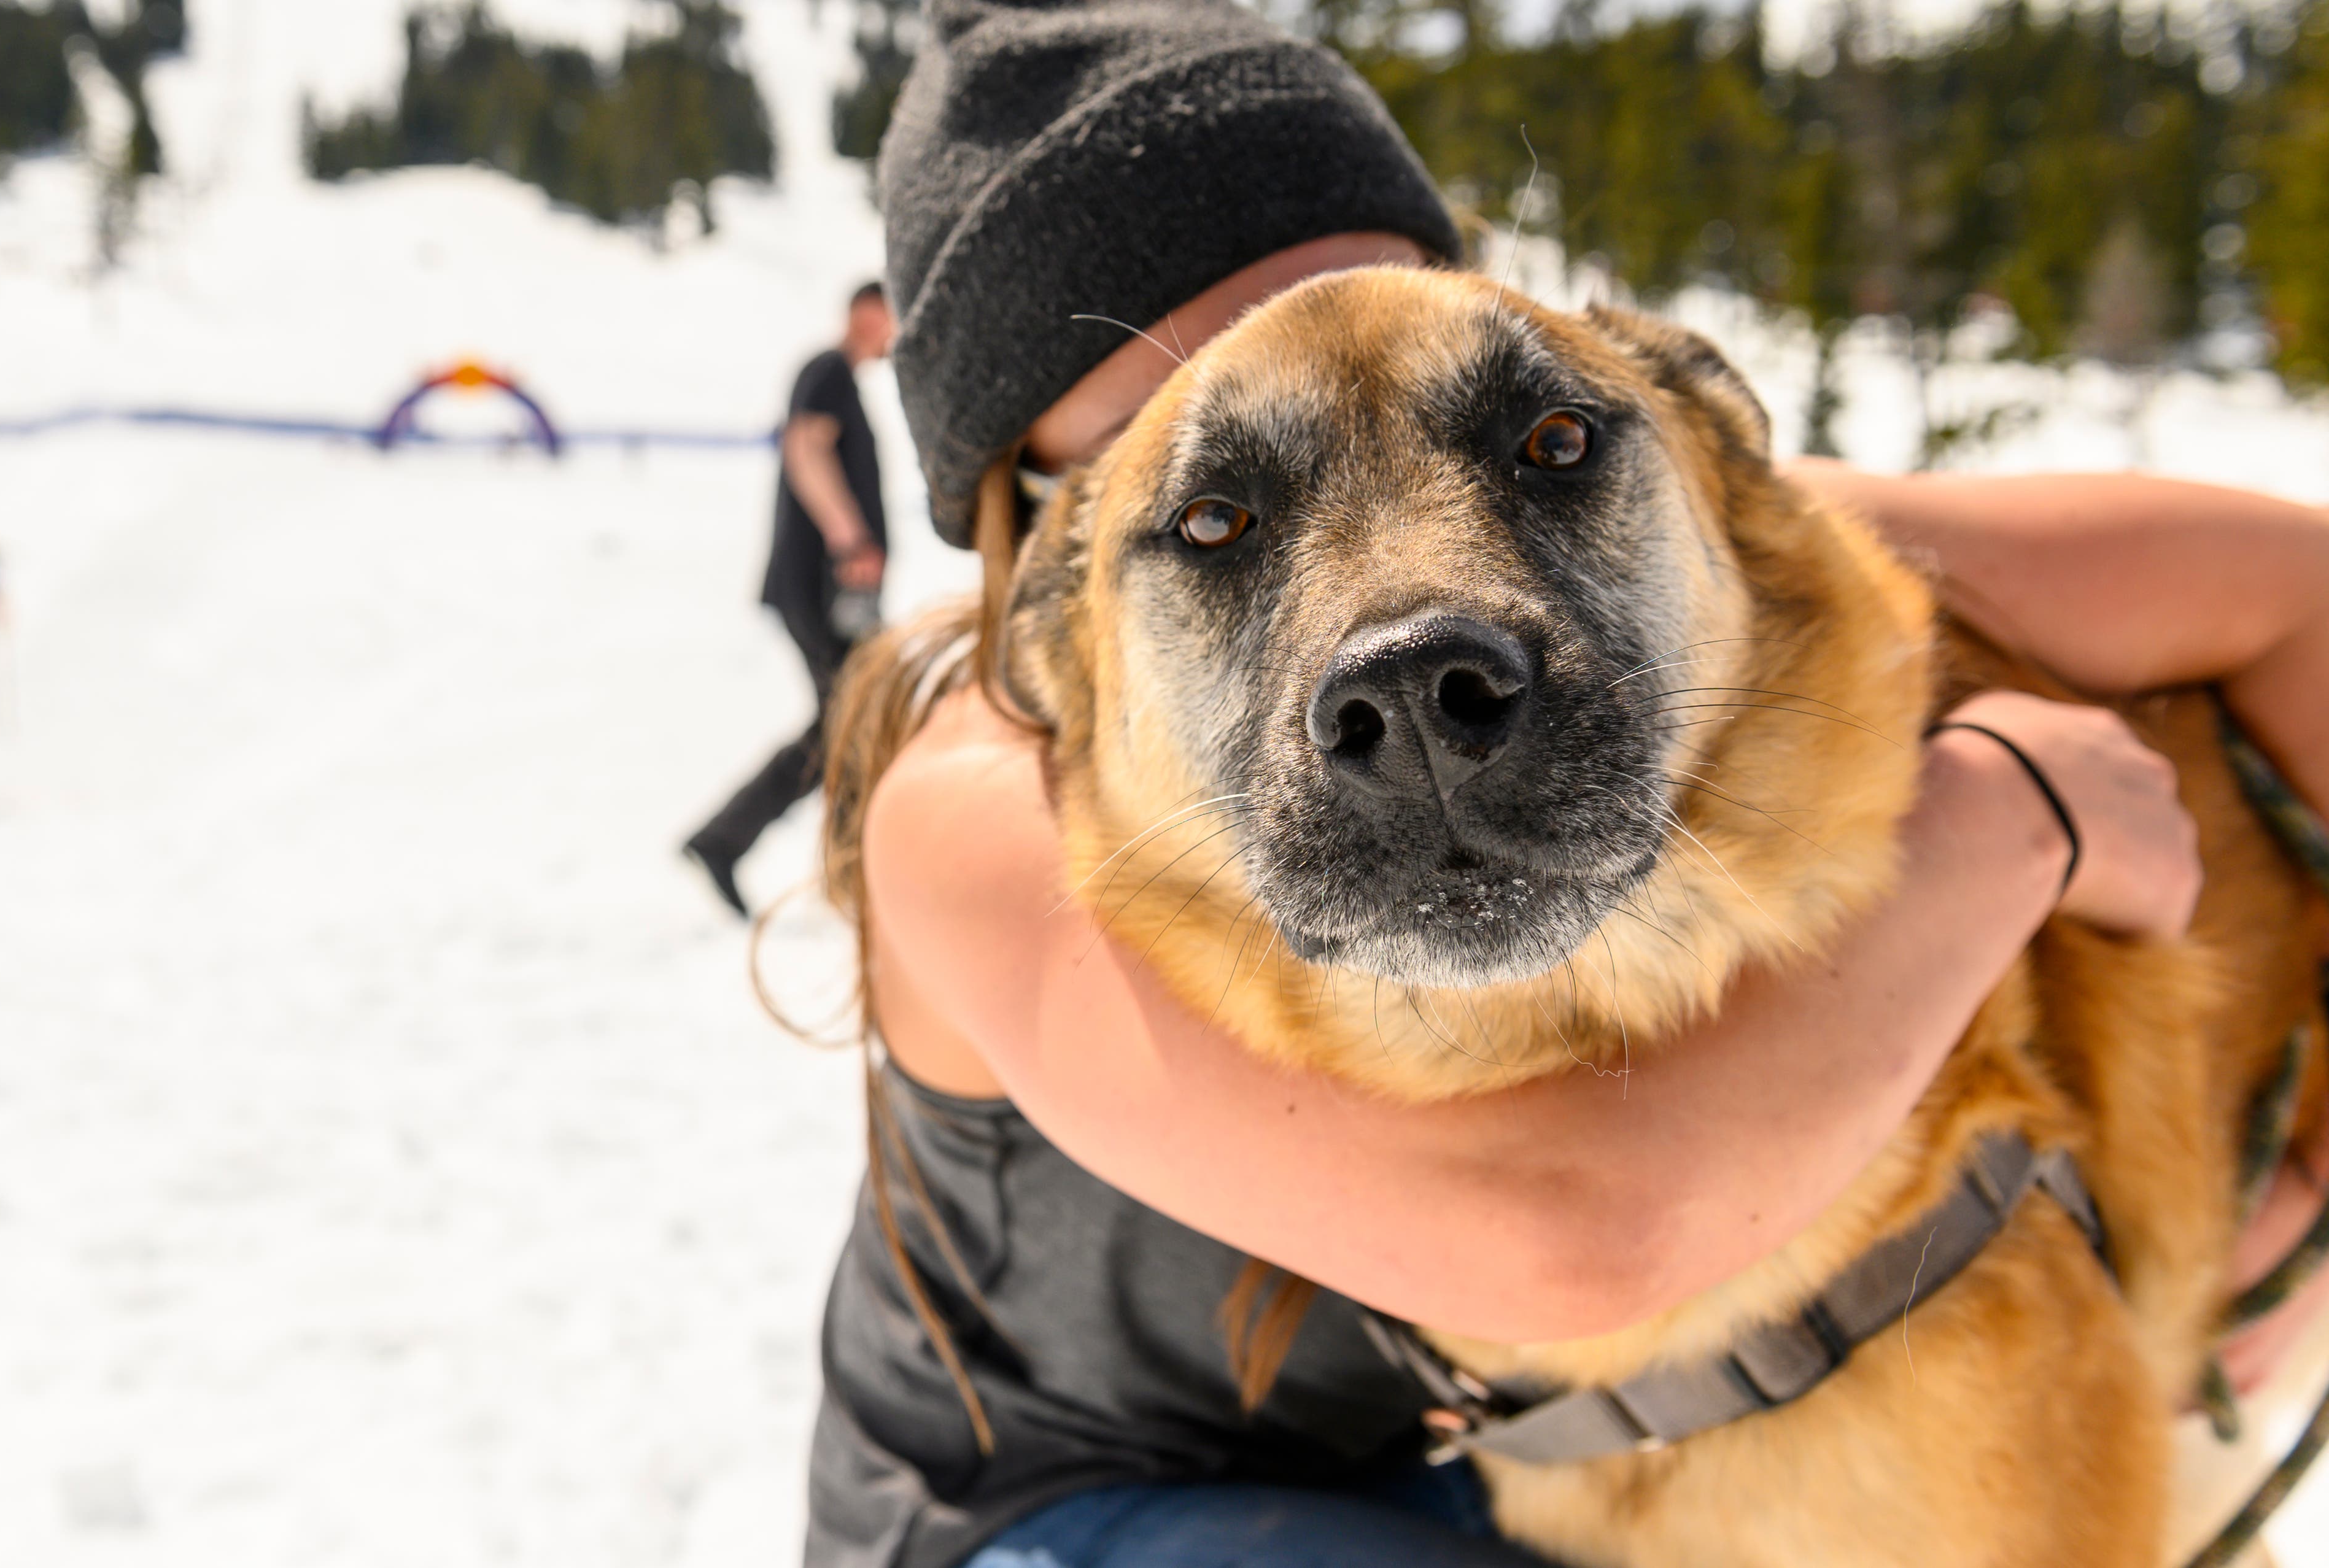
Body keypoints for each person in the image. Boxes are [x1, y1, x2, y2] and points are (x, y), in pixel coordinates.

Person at [797, 5, 2329, 1566]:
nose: (1401, 620)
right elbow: (1566, 1235)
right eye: (1200, 498)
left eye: (1515, 433)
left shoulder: (1703, 498)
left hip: (1486, 1460)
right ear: (1049, 569)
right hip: (1076, 1520)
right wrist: (2017, 811)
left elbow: (2306, 596)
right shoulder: (973, 798)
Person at [684, 282, 896, 917]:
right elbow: (805, 450)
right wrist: (849, 537)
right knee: (849, 719)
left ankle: (810, 860)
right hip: (815, 584)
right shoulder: (827, 370)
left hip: (832, 585)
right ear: (864, 312)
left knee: (848, 720)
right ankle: (752, 847)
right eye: (892, 315)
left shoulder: (843, 380)